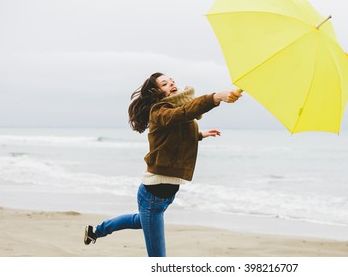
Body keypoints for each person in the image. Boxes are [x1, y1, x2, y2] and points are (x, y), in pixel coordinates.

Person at [83, 72, 241, 257]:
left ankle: (95, 231)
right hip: (153, 195)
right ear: (156, 92)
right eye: (164, 84)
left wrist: (200, 135)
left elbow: (174, 135)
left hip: (163, 195)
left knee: (139, 221)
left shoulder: (171, 111)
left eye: (172, 81)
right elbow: (183, 113)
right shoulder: (158, 111)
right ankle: (97, 230)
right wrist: (216, 97)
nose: (172, 84)